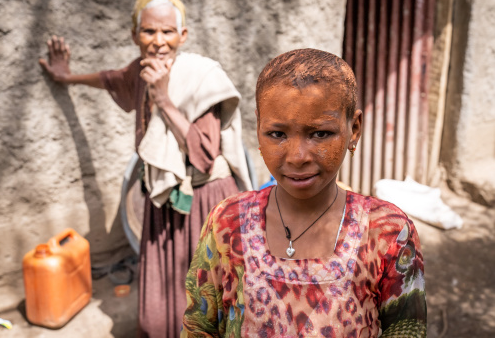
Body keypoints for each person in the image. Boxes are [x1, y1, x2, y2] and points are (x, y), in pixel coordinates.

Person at [39, 0, 252, 338]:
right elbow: (109, 78)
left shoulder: (202, 76)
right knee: (162, 304)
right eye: (149, 31)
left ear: (183, 36)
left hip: (206, 202)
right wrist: (66, 77)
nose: (158, 41)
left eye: (168, 32)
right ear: (134, 35)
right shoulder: (139, 72)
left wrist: (164, 98)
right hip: (165, 199)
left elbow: (204, 155)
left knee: (207, 297)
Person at [181, 49, 426, 337]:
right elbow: (199, 327)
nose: (297, 156)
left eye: (320, 133)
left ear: (354, 129)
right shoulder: (226, 222)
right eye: (277, 134)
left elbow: (408, 330)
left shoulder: (388, 232)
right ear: (258, 127)